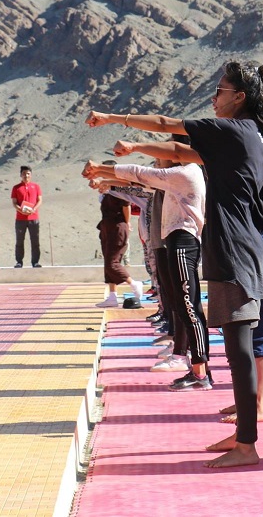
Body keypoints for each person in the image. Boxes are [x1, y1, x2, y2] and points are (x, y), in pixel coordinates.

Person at [86, 60, 263, 468]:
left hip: (237, 251)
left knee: (240, 348)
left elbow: (168, 125)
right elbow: (177, 151)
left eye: (220, 90)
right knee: (237, 346)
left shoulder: (236, 130)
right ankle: (243, 432)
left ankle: (248, 444)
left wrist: (112, 118)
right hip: (235, 247)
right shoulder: (246, 137)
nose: (214, 97)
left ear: (239, 97)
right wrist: (133, 149)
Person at [84, 144, 209, 386]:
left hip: (184, 240)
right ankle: (193, 363)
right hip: (173, 240)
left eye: (161, 157)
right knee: (181, 304)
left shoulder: (184, 173)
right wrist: (106, 178)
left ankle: (196, 367)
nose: (157, 162)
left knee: (187, 306)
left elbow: (141, 175)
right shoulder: (173, 177)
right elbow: (139, 182)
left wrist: (102, 169)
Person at [93, 164, 144, 307]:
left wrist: (127, 223)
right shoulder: (106, 190)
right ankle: (112, 296)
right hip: (107, 227)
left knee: (112, 263)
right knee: (108, 262)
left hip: (117, 227)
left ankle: (133, 284)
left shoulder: (119, 189)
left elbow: (126, 205)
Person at [11, 165, 43, 268]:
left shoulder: (36, 186)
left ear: (31, 175)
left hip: (34, 218)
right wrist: (20, 210)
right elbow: (14, 202)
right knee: (19, 241)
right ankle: (19, 262)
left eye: (28, 173)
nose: (26, 175)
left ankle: (35, 262)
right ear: (21, 175)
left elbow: (39, 200)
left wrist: (34, 209)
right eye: (24, 173)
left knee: (35, 241)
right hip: (20, 219)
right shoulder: (16, 188)